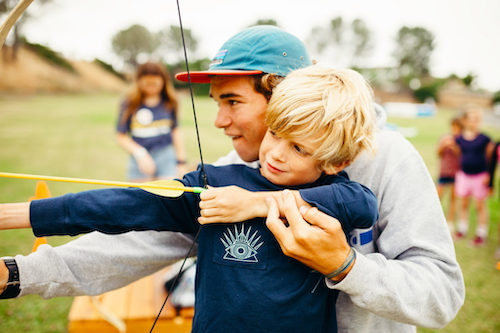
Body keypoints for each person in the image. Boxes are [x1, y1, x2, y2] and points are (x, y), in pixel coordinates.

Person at [0, 25, 464, 332]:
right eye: (215, 103)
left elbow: (441, 295)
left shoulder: (387, 160)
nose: (219, 120)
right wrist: (15, 273)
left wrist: (346, 266)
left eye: (232, 101)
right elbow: (132, 239)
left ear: (284, 94)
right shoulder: (231, 174)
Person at [116, 62, 187, 181]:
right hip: (139, 158)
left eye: (155, 84)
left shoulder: (170, 102)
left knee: (166, 196)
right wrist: (141, 154)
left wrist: (181, 162)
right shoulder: (129, 103)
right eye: (147, 84)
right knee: (139, 197)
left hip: (166, 156)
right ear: (139, 82)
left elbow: (175, 131)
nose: (151, 87)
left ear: (163, 82)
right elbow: (121, 136)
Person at [454, 105, 495, 246]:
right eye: (470, 119)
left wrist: (488, 175)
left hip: (480, 176)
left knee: (479, 206)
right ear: (465, 121)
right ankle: (462, 229)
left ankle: (481, 234)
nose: (473, 122)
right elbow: (459, 155)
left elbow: (491, 158)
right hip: (464, 175)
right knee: (464, 203)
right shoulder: (459, 138)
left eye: (476, 119)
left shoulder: (485, 139)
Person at [436, 116, 462, 233]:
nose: (454, 129)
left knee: (453, 199)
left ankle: (450, 221)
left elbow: (462, 155)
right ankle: (435, 220)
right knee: (438, 197)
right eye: (453, 127)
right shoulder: (445, 138)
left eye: (457, 127)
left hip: (456, 173)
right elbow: (438, 153)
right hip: (444, 171)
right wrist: (444, 145)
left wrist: (455, 147)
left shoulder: (461, 140)